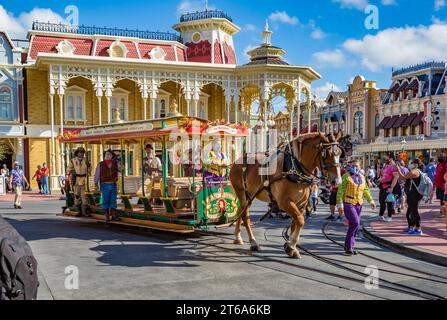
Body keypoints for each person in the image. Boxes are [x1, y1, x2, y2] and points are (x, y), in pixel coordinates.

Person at [337, 160, 376, 255]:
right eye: (353, 165)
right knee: (355, 222)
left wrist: (371, 200)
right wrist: (340, 204)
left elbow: (366, 190)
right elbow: (340, 191)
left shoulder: (362, 177)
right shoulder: (346, 176)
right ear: (350, 166)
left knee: (356, 225)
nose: (355, 167)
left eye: (356, 166)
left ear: (360, 167)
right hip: (348, 203)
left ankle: (350, 246)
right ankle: (348, 246)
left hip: (359, 204)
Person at [397, 159, 424, 235]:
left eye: (411, 163)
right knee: (410, 212)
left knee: (414, 212)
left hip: (414, 195)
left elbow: (402, 177)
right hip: (412, 194)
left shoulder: (414, 171)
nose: (410, 164)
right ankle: (411, 227)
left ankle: (418, 229)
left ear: (416, 164)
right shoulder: (415, 171)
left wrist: (398, 170)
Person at [94, 150, 120, 222]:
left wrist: (119, 163)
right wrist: (96, 183)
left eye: (109, 154)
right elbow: (97, 174)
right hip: (104, 184)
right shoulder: (100, 164)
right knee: (105, 200)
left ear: (112, 156)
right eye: (106, 154)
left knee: (113, 200)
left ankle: (113, 215)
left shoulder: (115, 163)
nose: (107, 155)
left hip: (113, 184)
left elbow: (121, 170)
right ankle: (107, 216)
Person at [67, 147, 90, 217]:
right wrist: (72, 172)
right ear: (77, 153)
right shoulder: (72, 160)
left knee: (84, 196)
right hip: (76, 179)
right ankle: (79, 211)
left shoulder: (86, 160)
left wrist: (89, 167)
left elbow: (89, 170)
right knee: (77, 196)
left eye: (83, 152)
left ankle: (85, 211)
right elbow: (68, 169)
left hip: (84, 179)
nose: (81, 154)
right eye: (80, 152)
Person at [378, 153, 400, 222]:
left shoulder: (394, 166)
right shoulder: (386, 166)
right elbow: (381, 175)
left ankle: (389, 216)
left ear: (390, 158)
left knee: (389, 202)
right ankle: (381, 215)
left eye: (386, 158)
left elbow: (396, 177)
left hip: (389, 186)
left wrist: (392, 187)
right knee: (381, 201)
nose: (384, 159)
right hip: (382, 186)